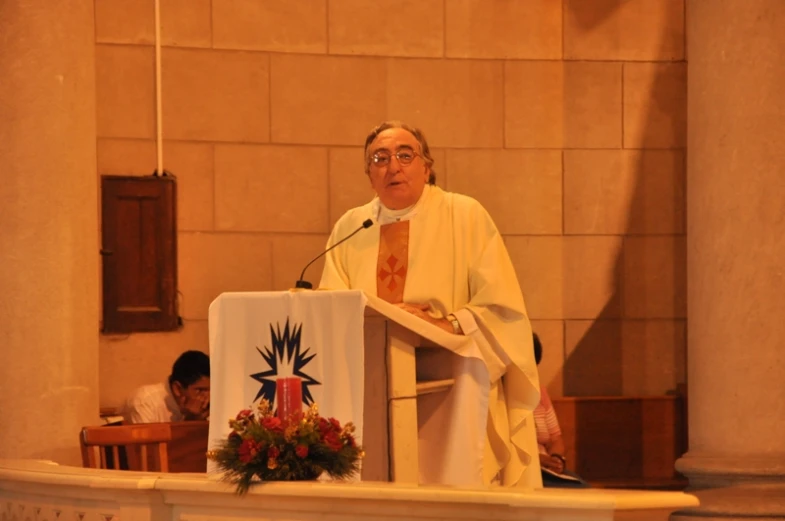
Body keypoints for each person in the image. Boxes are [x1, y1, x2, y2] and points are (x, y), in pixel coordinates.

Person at [318, 120, 541, 488]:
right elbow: (332, 308)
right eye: (380, 158)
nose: (393, 166)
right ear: (369, 174)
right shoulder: (351, 227)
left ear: (427, 166)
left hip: (451, 380)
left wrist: (449, 324)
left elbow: (501, 306)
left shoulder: (464, 215)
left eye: (406, 155)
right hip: (371, 385)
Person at [532, 333, 589, 488]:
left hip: (548, 470)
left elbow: (556, 438)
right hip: (526, 472)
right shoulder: (502, 397)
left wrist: (556, 458)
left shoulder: (540, 392)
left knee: (585, 489)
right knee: (578, 491)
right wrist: (538, 460)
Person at [122, 350, 210, 424]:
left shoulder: (211, 405)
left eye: (211, 390)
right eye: (200, 390)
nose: (208, 397)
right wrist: (191, 421)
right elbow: (148, 444)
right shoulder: (145, 402)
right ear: (177, 389)